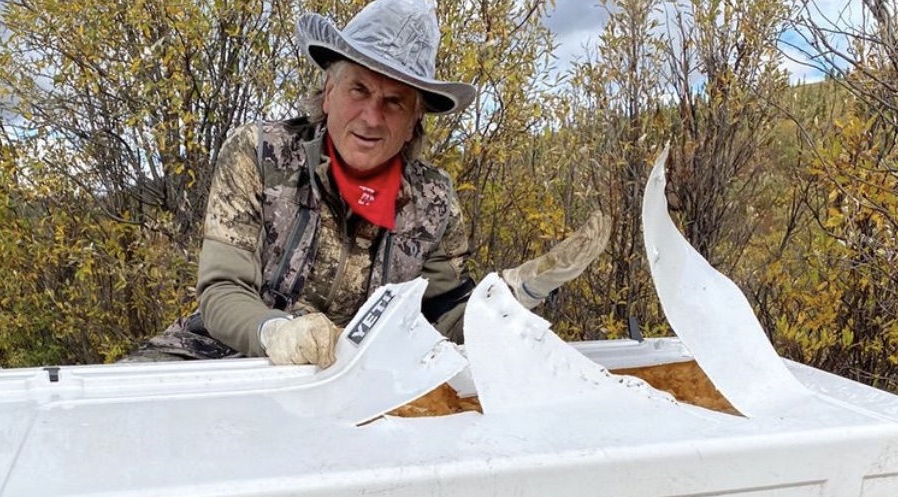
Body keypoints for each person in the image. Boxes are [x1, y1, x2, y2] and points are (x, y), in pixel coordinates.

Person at [125, 0, 609, 367]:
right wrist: (277, 334)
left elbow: (445, 320)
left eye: (394, 101)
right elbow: (221, 293)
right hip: (217, 361)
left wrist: (518, 292)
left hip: (355, 384)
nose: (372, 117)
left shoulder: (433, 202)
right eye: (359, 89)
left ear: (415, 118)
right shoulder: (258, 154)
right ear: (329, 91)